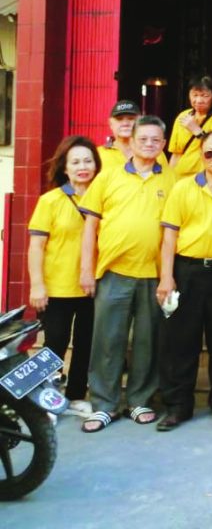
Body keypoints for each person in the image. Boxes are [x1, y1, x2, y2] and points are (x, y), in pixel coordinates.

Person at [78, 115, 177, 432]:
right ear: (131, 142)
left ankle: (139, 400)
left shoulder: (172, 180)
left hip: (153, 274)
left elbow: (173, 231)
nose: (149, 144)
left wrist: (167, 276)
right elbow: (90, 225)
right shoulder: (108, 177)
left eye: (155, 140)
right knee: (108, 340)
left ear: (164, 144)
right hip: (113, 272)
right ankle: (104, 404)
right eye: (143, 139)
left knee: (148, 341)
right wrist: (87, 269)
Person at [155, 130, 212, 431]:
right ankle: (177, 406)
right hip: (187, 271)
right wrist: (166, 277)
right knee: (181, 341)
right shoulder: (183, 188)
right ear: (201, 156)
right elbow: (169, 236)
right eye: (209, 153)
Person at [27, 135, 102, 418]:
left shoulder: (103, 197)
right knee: (55, 343)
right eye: (76, 162)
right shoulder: (50, 201)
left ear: (96, 165)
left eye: (88, 161)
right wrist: (37, 285)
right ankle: (45, 398)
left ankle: (76, 396)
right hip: (57, 286)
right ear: (65, 168)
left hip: (92, 285)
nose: (82, 167)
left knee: (86, 344)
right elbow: (36, 246)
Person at [168, 75, 212, 179]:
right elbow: (176, 154)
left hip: (207, 178)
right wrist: (170, 178)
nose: (199, 100)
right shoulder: (183, 116)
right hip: (180, 177)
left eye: (205, 96)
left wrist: (197, 131)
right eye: (194, 95)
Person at [98, 100, 167, 169]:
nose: (125, 123)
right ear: (110, 123)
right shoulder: (98, 154)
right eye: (119, 119)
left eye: (131, 118)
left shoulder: (154, 152)